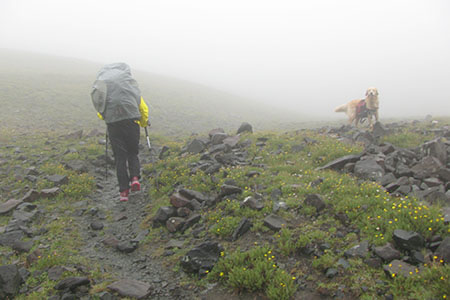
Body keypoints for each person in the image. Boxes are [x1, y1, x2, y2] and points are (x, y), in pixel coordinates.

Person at [91, 63, 149, 202]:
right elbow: (141, 106)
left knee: (120, 157)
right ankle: (135, 178)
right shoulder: (129, 85)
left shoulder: (103, 86)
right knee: (132, 152)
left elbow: (100, 108)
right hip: (131, 122)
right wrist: (144, 122)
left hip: (113, 124)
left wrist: (107, 117)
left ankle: (124, 192)